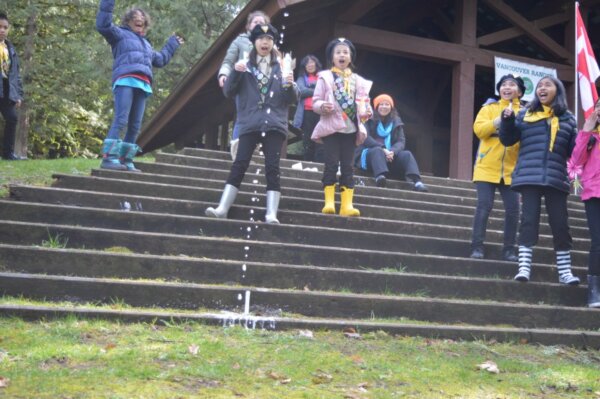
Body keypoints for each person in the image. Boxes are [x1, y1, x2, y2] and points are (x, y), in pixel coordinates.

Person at [205, 23, 297, 224]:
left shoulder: (282, 66)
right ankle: (222, 208)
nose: (265, 42)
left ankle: (271, 213)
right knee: (240, 164)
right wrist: (236, 72)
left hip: (274, 124)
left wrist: (289, 84)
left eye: (270, 39)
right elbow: (228, 91)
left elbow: (291, 98)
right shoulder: (244, 65)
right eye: (261, 39)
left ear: (273, 43)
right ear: (254, 42)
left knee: (272, 167)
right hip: (249, 123)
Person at [499, 75, 579, 285]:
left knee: (561, 225)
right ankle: (524, 267)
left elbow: (574, 151)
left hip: (556, 177)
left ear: (557, 90)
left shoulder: (568, 119)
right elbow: (508, 139)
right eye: (540, 86)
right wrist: (507, 120)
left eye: (547, 85)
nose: (542, 88)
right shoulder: (525, 113)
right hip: (529, 176)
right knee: (528, 222)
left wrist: (588, 137)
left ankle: (565, 272)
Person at [96, 0, 183, 171]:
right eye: (136, 16)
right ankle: (109, 158)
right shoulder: (119, 34)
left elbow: (161, 60)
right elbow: (103, 25)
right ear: (128, 20)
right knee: (121, 119)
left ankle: (125, 159)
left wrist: (172, 44)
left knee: (135, 125)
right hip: (126, 79)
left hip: (143, 84)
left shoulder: (147, 45)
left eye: (142, 17)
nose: (140, 18)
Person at [312, 38, 372, 217]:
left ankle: (347, 205)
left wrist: (366, 112)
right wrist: (322, 106)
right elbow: (315, 101)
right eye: (338, 52)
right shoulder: (325, 77)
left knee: (348, 166)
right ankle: (329, 202)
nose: (342, 55)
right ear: (332, 57)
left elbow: (365, 104)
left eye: (345, 52)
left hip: (351, 129)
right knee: (331, 164)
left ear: (350, 57)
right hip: (332, 128)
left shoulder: (359, 81)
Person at [470, 75, 525, 261]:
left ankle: (509, 250)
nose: (507, 87)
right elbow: (478, 130)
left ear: (520, 91)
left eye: (512, 85)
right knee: (484, 206)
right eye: (503, 85)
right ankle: (477, 247)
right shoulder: (489, 108)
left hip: (512, 170)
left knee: (513, 210)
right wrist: (499, 121)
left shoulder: (525, 112)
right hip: (486, 166)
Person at [217, 10, 269, 159]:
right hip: (244, 85)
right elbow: (228, 61)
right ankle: (236, 151)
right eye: (255, 22)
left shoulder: (270, 42)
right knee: (242, 117)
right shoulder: (240, 41)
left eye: (262, 23)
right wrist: (224, 74)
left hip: (264, 87)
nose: (258, 25)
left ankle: (256, 152)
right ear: (248, 26)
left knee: (263, 118)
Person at [355, 94, 428, 192]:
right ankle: (380, 177)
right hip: (370, 155)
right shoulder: (368, 118)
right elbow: (366, 137)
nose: (384, 107)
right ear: (376, 107)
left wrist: (393, 151)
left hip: (389, 156)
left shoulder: (396, 122)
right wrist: (383, 148)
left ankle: (417, 182)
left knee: (407, 154)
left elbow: (401, 141)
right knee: (377, 151)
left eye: (387, 104)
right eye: (381, 104)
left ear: (391, 107)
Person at [568, 99, 600, 307]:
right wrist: (586, 132)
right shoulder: (591, 138)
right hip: (594, 192)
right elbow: (576, 162)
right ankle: (594, 291)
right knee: (598, 243)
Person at [0, 12, 24, 161]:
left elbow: (15, 73)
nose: (2, 30)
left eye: (5, 27)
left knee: (12, 118)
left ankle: (8, 153)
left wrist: (18, 95)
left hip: (6, 91)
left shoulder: (10, 48)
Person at [292, 54, 323, 162]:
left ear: (316, 64)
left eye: (311, 62)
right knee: (308, 141)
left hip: (321, 113)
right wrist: (317, 90)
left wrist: (310, 88)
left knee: (320, 141)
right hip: (307, 113)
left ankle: (319, 167)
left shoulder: (323, 77)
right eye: (307, 63)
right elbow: (301, 91)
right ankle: (307, 165)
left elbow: (327, 91)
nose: (309, 65)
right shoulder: (301, 78)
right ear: (304, 67)